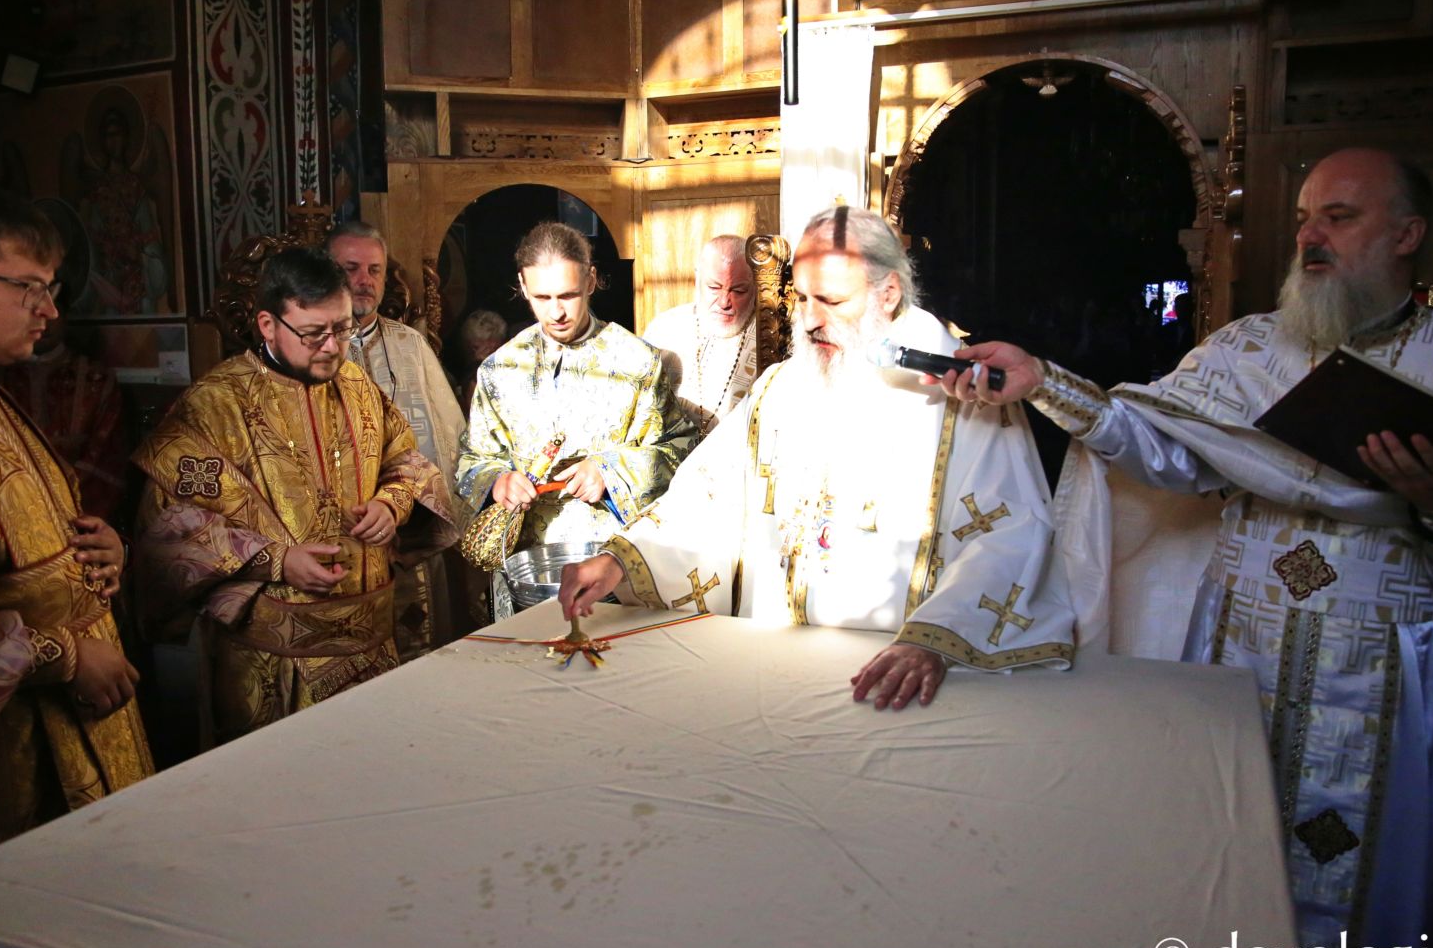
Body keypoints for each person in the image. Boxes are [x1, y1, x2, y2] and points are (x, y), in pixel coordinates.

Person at [934, 149, 1433, 948]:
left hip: (1383, 674)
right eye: (1302, 218)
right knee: (1217, 851)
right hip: (1236, 653)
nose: (1310, 236)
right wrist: (1046, 383)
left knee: (1356, 868)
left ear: (1409, 234)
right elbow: (1165, 456)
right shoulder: (1245, 353)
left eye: (1339, 216)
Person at [560, 205, 1078, 710]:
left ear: (888, 293)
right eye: (801, 298)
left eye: (829, 300)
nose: (808, 321)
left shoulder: (962, 400)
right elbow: (706, 494)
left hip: (896, 681)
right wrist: (618, 560)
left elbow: (1009, 532)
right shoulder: (778, 390)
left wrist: (934, 639)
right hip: (769, 673)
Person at [133, 248, 458, 742]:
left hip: (373, 651)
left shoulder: (357, 384)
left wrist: (392, 503)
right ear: (268, 324)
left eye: (344, 329)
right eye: (313, 333)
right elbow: (167, 529)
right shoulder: (213, 405)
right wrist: (277, 561)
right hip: (270, 668)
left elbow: (407, 461)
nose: (332, 347)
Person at [0, 181, 152, 870]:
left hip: (80, 724)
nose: (49, 311)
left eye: (49, 289)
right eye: (28, 289)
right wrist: (66, 655)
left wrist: (100, 549)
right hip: (5, 758)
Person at [457, 221, 694, 563]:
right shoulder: (499, 369)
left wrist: (611, 472)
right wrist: (497, 481)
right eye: (542, 298)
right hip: (524, 559)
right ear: (523, 286)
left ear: (591, 281)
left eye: (568, 295)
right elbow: (471, 460)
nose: (556, 313)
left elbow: (680, 449)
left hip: (611, 557)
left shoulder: (638, 361)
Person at [328, 221, 467, 659]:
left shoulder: (410, 345)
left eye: (374, 270)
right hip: (333, 543)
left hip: (409, 537)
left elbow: (449, 445)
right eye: (350, 268)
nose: (364, 280)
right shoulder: (307, 350)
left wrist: (411, 519)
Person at [0, 281, 129, 522]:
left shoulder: (96, 379)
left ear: (65, 315)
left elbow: (107, 457)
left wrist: (68, 509)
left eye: (54, 308)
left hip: (79, 511)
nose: (44, 321)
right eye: (31, 310)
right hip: (12, 509)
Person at [641, 235, 760, 438]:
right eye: (714, 287)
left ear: (755, 285)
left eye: (738, 290)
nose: (724, 302)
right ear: (697, 278)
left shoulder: (771, 337)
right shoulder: (664, 329)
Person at [451, 307, 508, 413]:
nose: (474, 353)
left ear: (495, 344)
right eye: (471, 347)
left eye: (476, 347)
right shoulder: (469, 373)